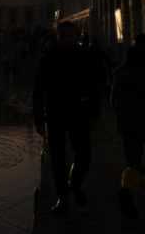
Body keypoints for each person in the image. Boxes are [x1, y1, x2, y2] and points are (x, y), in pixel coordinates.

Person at [33, 22, 99, 216]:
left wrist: (94, 110)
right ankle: (63, 196)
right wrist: (38, 118)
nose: (68, 40)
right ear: (59, 37)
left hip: (78, 112)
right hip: (56, 113)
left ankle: (74, 183)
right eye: (64, 36)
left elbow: (93, 86)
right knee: (58, 158)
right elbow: (38, 90)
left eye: (71, 36)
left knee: (84, 155)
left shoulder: (84, 56)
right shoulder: (48, 58)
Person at [113, 35, 145, 218]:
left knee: (133, 162)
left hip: (128, 124)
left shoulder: (120, 72)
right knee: (136, 163)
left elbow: (114, 101)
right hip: (138, 122)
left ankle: (127, 193)